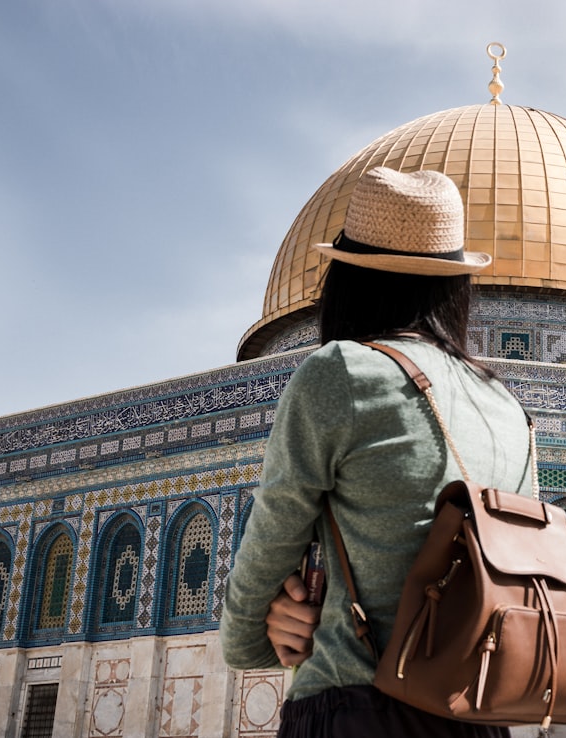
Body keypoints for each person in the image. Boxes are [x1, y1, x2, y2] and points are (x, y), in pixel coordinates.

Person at [220, 166, 536, 737]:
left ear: (348, 280)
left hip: (358, 707)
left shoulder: (340, 372)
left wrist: (254, 636)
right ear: (456, 285)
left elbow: (271, 540)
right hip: (475, 716)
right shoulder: (508, 408)